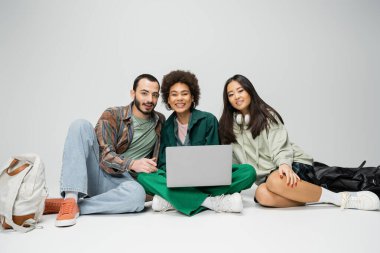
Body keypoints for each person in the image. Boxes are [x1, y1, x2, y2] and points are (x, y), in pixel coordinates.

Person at [218, 74, 380, 210]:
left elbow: (280, 147)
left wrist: (284, 164)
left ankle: (342, 199)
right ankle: (321, 198)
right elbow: (230, 160)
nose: (236, 96)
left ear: (250, 92)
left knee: (274, 180)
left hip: (292, 165)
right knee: (261, 195)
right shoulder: (227, 126)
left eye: (240, 91)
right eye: (231, 94)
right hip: (271, 179)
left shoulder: (266, 116)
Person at [44, 74, 165, 227]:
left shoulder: (160, 121)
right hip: (100, 173)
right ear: (133, 93)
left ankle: (74, 206)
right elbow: (105, 154)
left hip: (125, 183)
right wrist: (132, 163)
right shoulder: (114, 114)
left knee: (137, 197)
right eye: (144, 93)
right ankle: (70, 198)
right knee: (80, 125)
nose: (149, 100)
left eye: (154, 95)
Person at [137, 70, 256, 216]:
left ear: (192, 96)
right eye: (174, 94)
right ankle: (211, 202)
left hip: (208, 181)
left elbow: (215, 161)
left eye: (184, 93)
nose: (179, 98)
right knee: (143, 177)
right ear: (168, 100)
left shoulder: (208, 120)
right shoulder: (166, 126)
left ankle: (174, 200)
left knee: (248, 172)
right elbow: (163, 163)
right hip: (178, 181)